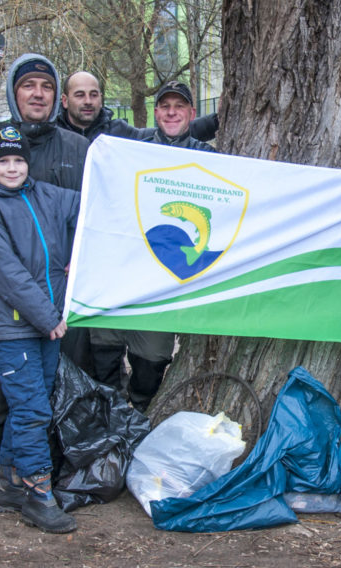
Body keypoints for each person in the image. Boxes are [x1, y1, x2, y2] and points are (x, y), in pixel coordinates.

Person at [0, 53, 90, 506]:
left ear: (57, 96)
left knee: (51, 383)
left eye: (46, 87)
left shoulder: (77, 148)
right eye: (28, 85)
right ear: (14, 92)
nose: (37, 94)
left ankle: (41, 465)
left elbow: (95, 207)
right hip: (7, 297)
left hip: (61, 294)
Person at [0, 124, 80, 533]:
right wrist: (49, 318)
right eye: (3, 161)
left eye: (18, 160)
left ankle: (10, 484)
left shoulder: (46, 195)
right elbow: (9, 275)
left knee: (33, 405)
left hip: (48, 323)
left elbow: (92, 206)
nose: (12, 168)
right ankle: (39, 495)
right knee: (33, 410)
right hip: (16, 328)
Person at [88, 80, 217, 411]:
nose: (171, 112)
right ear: (156, 112)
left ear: (191, 113)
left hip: (169, 276)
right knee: (103, 345)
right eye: (165, 106)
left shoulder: (209, 157)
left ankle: (141, 405)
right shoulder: (133, 147)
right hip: (123, 268)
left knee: (154, 356)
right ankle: (110, 414)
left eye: (179, 106)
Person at [58, 71, 218, 143]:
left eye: (93, 95)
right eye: (80, 95)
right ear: (65, 100)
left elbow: (172, 131)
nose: (88, 101)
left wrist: (219, 119)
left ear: (100, 98)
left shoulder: (118, 132)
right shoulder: (54, 134)